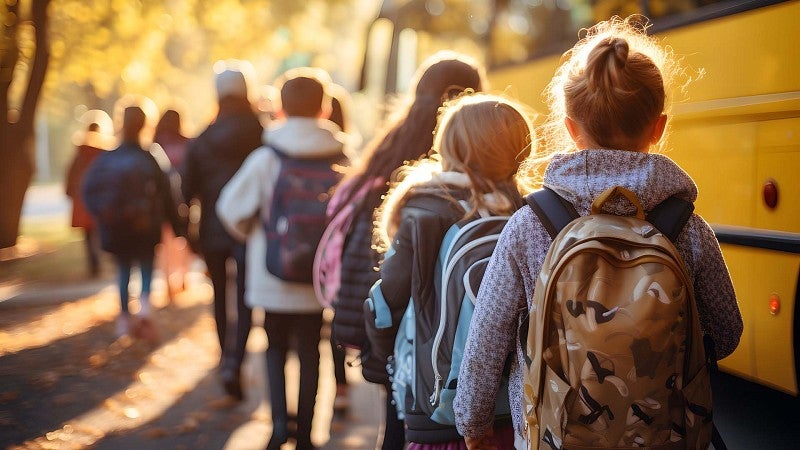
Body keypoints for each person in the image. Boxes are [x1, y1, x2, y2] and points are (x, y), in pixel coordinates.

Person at [453, 16, 743, 450]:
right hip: (662, 435)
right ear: (658, 128)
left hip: (553, 435)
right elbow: (728, 332)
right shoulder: (687, 228)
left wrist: (472, 426)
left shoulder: (531, 222)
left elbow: (487, 339)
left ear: (570, 128)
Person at [323, 50, 488, 450]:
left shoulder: (389, 150)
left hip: (391, 319)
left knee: (398, 424)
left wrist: (377, 340)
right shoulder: (478, 163)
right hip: (448, 331)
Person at [365, 92, 533, 449]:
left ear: (451, 147)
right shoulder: (532, 214)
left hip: (438, 402)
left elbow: (385, 303)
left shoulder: (426, 210)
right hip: (522, 405)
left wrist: (383, 361)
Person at [216, 67, 347, 450]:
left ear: (281, 110)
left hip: (272, 275)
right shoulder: (343, 156)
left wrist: (255, 237)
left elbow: (230, 209)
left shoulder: (266, 157)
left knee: (273, 348)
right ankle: (307, 434)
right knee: (312, 350)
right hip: (318, 279)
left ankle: (278, 429)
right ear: (324, 109)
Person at [180, 62, 263, 400]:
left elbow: (186, 190)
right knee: (245, 297)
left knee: (219, 295)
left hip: (212, 230)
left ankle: (224, 357)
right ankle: (236, 360)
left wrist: (188, 232)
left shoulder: (203, 138)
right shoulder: (261, 133)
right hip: (251, 229)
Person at [82, 100, 182, 340]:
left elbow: (87, 190)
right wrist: (178, 225)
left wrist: (103, 215)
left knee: (124, 271)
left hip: (117, 229)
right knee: (146, 268)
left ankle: (125, 318)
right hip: (146, 227)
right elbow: (169, 193)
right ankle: (145, 310)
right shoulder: (152, 156)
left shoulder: (106, 159)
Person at [65, 116, 113, 277]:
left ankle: (94, 265)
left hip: (82, 199)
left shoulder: (80, 152)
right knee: (100, 230)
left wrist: (70, 192)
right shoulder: (104, 152)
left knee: (88, 235)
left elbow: (71, 174)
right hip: (100, 199)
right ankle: (100, 260)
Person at [153, 109, 192, 300]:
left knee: (165, 242)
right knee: (183, 239)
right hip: (184, 199)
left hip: (162, 201)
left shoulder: (156, 144)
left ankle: (168, 279)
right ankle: (183, 276)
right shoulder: (187, 143)